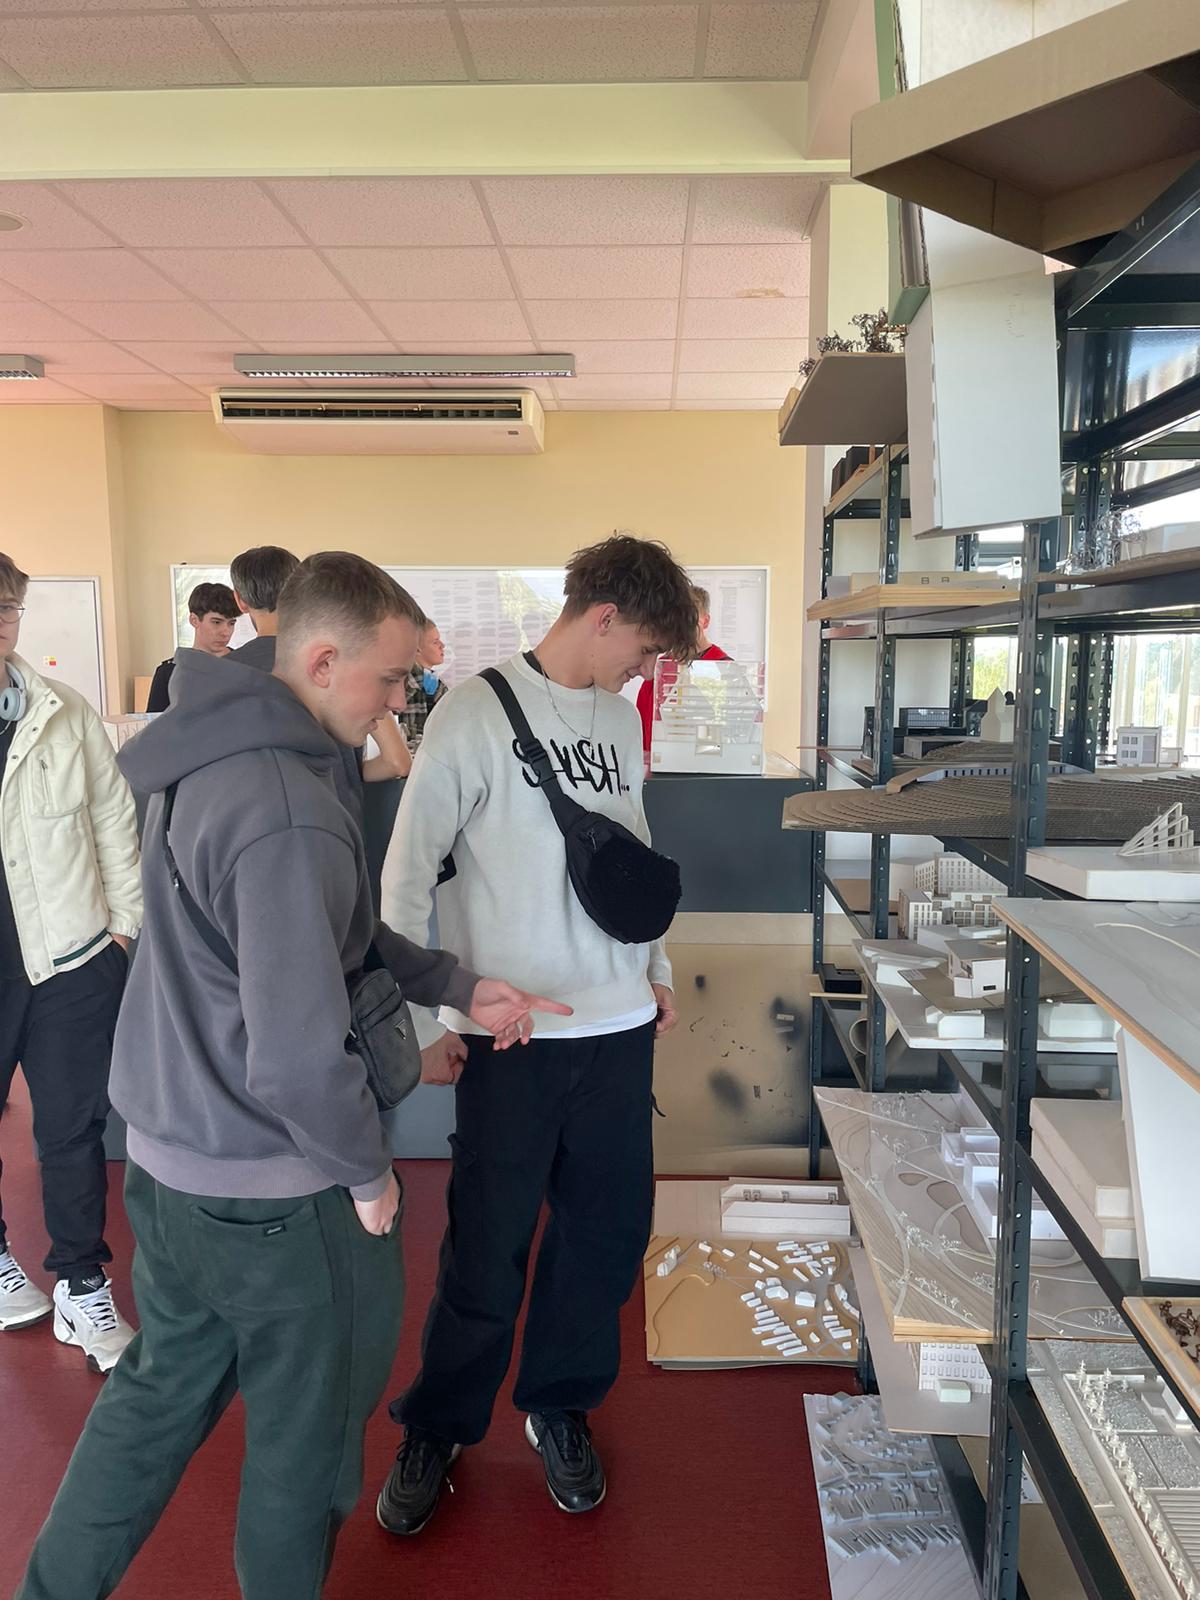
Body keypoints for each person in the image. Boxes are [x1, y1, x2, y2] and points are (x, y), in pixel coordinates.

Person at [16, 552, 570, 1600]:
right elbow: (296, 1054)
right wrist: (368, 1174)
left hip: (169, 1171)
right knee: (305, 1451)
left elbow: (334, 934)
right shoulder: (287, 805)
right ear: (321, 661)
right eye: (392, 679)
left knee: (151, 1400)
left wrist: (455, 981)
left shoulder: (212, 746)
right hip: (279, 1192)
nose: (401, 702)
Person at [376, 533, 696, 1535]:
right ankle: (439, 1422)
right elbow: (405, 877)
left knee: (603, 1237)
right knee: (487, 1244)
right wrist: (430, 1019)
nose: (644, 670)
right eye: (644, 648)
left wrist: (655, 971)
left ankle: (558, 1404)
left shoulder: (618, 717)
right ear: (603, 617)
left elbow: (632, 856)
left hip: (618, 1029)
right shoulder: (473, 712)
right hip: (510, 1038)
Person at [0, 552, 141, 1371]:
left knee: (73, 1130)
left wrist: (120, 932)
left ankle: (81, 1285)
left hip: (69, 959)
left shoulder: (61, 711)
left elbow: (114, 822)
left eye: (7, 609)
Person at [230, 544, 411, 803]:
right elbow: (397, 761)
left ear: (240, 600)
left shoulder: (223, 674)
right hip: (336, 812)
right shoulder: (342, 663)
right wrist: (345, 775)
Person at [636, 583, 731, 756]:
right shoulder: (659, 671)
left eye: (690, 619)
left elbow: (732, 732)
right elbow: (643, 730)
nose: (682, 627)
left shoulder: (724, 668)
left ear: (705, 621)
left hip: (707, 764)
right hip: (661, 764)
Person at [145, 581, 239, 712]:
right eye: (217, 622)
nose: (225, 632)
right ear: (194, 620)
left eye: (231, 623)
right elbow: (156, 721)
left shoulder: (243, 666)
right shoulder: (169, 672)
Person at [396, 619, 449, 753]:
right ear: (417, 649)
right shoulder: (399, 682)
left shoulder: (436, 684)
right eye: (435, 642)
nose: (442, 646)